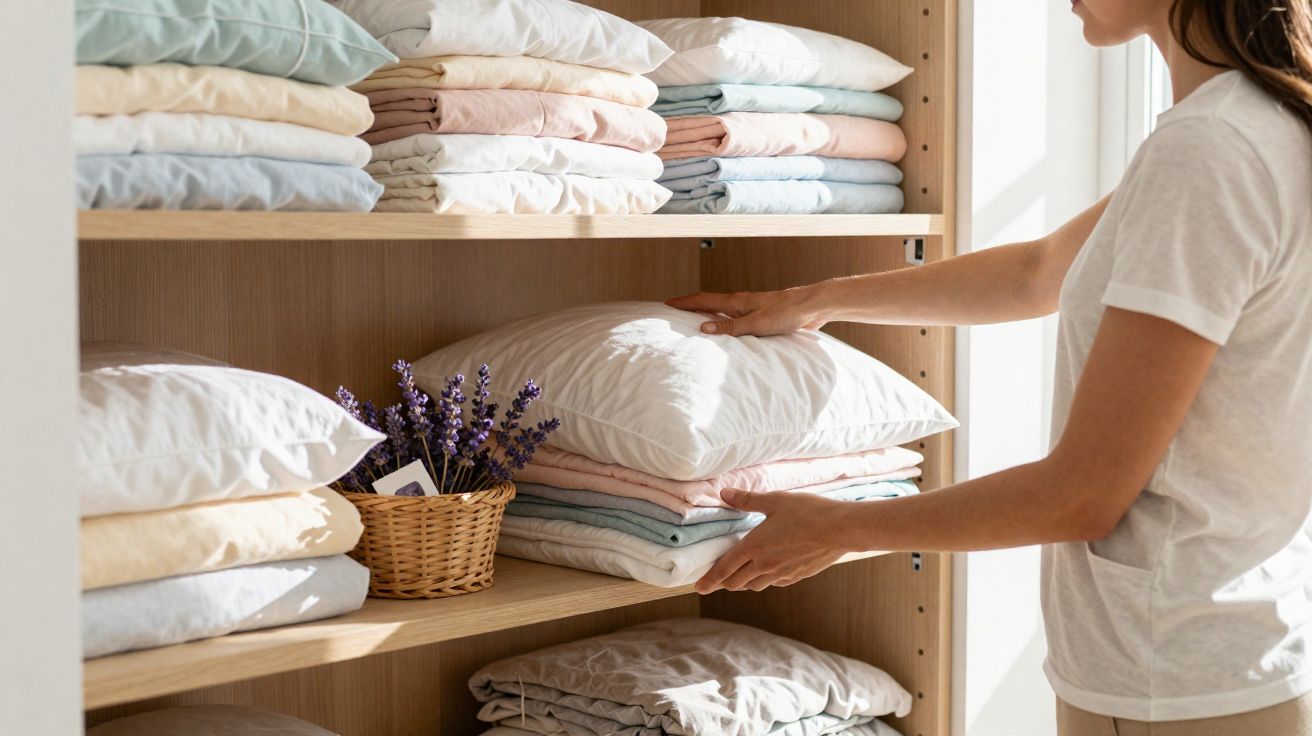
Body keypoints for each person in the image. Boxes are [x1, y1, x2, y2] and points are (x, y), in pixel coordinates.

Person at [667, 1, 1312, 733]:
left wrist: (842, 527)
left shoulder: (1209, 150)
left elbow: (1083, 495)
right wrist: (812, 300)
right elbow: (1039, 273)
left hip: (1172, 684)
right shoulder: (1256, 124)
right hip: (1222, 663)